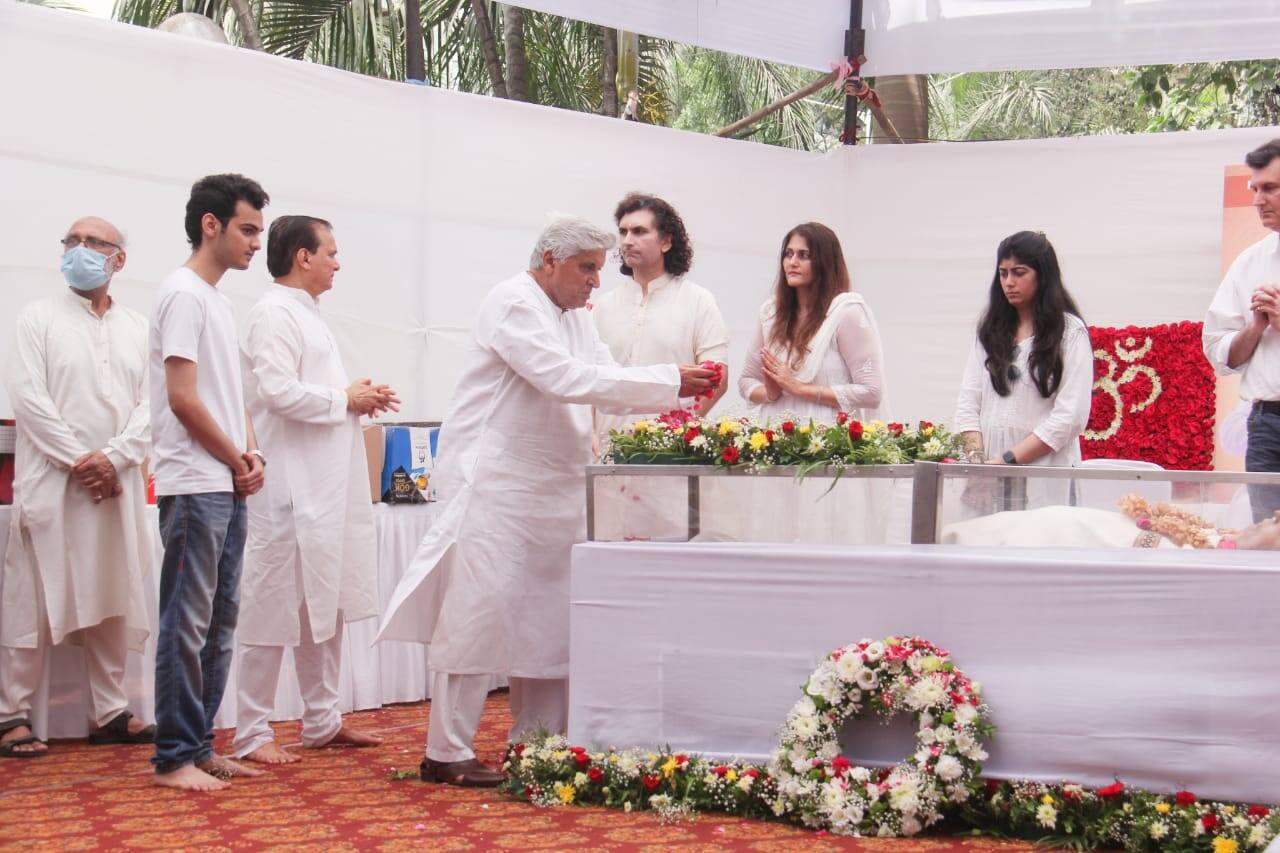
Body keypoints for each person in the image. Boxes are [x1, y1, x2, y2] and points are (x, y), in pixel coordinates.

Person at [377, 217, 717, 787]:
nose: (594, 283)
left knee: (550, 616)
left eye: (598, 271)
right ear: (549, 261)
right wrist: (666, 381)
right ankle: (445, 750)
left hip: (556, 485)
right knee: (479, 612)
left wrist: (673, 405)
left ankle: (536, 744)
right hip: (497, 485)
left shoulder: (576, 316)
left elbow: (603, 374)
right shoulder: (513, 302)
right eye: (586, 268)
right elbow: (560, 378)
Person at [233, 216, 396, 764]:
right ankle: (252, 731)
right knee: (270, 607)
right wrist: (345, 400)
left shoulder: (307, 315)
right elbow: (276, 393)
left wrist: (356, 395)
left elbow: (313, 391)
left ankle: (322, 720)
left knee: (322, 605)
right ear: (303, 256)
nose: (337, 262)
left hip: (324, 489)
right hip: (285, 490)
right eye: (330, 252)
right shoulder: (273, 314)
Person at [0, 216, 154, 758]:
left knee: (114, 591)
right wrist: (80, 461)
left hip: (115, 485)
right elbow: (29, 399)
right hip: (54, 484)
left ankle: (109, 712)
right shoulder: (37, 318)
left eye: (94, 242)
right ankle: (11, 714)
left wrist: (113, 459)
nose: (79, 250)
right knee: (34, 598)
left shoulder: (138, 325)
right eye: (71, 241)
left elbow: (150, 404)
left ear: (119, 260)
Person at [149, 174, 269, 791]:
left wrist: (249, 454)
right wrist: (234, 458)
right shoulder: (182, 294)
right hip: (195, 480)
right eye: (247, 229)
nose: (256, 242)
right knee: (187, 621)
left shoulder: (218, 300)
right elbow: (183, 400)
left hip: (222, 476)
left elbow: (230, 395)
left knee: (220, 622)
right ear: (211, 225)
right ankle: (173, 755)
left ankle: (198, 746)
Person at [736, 222, 890, 544]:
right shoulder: (771, 314)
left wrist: (801, 389)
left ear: (824, 261)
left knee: (821, 535)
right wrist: (772, 391)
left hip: (826, 443)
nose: (792, 262)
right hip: (776, 438)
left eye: (804, 255)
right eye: (788, 254)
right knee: (776, 535)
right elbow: (746, 381)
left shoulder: (845, 313)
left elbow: (872, 391)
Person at [591, 193, 729, 540]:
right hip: (609, 456)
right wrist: (591, 435)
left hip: (673, 458)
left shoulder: (697, 301)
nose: (627, 241)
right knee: (610, 551)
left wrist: (676, 433)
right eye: (623, 232)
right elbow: (585, 379)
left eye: (639, 231)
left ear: (667, 241)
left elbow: (717, 376)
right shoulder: (601, 308)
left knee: (672, 557)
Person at [953, 231, 1093, 511]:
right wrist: (979, 464)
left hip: (1043, 472)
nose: (1009, 282)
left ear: (1043, 276)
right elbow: (968, 404)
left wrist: (1007, 460)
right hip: (989, 476)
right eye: (1003, 273)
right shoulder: (989, 332)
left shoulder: (1070, 333)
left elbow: (1070, 416)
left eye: (1019, 272)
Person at [1204, 138, 1280, 522]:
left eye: (1270, 188)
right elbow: (1218, 350)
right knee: (1268, 538)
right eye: (1255, 189)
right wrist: (1256, 328)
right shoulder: (1250, 262)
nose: (1257, 199)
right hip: (1267, 424)